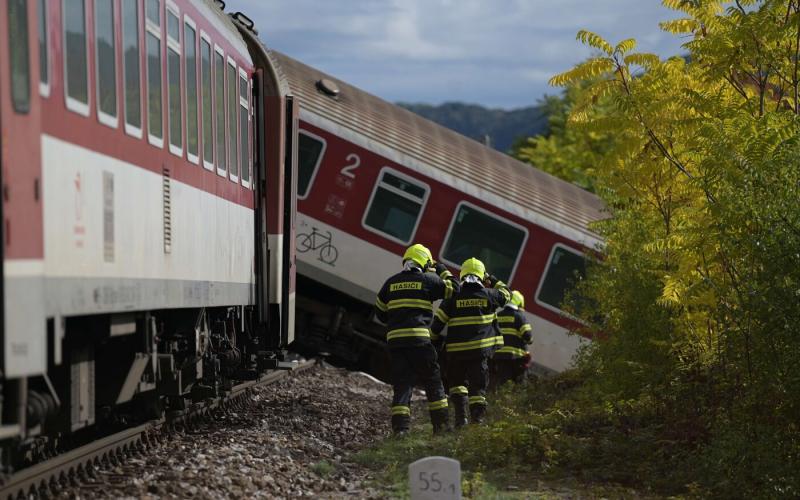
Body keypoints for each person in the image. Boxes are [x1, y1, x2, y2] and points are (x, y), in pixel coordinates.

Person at [374, 243, 460, 435]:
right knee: (432, 381)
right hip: (420, 342)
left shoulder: (391, 282)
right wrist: (442, 270)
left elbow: (380, 312)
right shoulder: (428, 281)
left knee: (402, 384)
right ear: (425, 263)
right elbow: (454, 289)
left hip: (396, 343)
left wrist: (396, 321)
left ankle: (401, 430)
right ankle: (441, 427)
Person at [431, 258, 510, 427]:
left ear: (462, 274)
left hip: (455, 352)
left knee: (457, 385)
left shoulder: (453, 296)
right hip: (479, 352)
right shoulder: (490, 295)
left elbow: (437, 324)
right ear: (482, 277)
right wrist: (493, 280)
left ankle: (461, 419)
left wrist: (432, 341)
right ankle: (477, 420)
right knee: (478, 387)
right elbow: (506, 293)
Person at [492, 290, 533, 387]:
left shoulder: (498, 316)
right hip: (516, 358)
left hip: (499, 357)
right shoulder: (519, 317)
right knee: (520, 385)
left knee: (502, 384)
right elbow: (528, 337)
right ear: (519, 303)